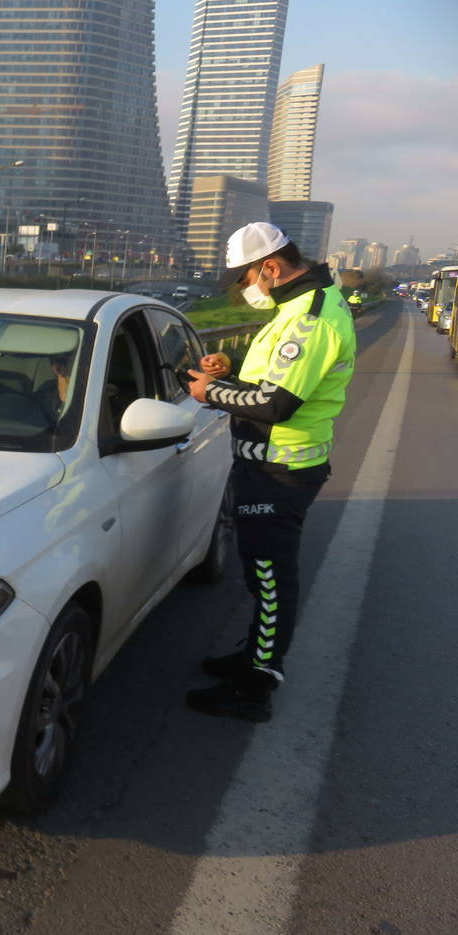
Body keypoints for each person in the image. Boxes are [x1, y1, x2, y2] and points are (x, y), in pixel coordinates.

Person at [184, 222, 357, 721]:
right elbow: (274, 376)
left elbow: (278, 402)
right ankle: (254, 657)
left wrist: (209, 393)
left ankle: (256, 686)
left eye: (245, 280)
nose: (244, 291)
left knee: (270, 576)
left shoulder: (311, 319)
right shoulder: (299, 306)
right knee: (262, 574)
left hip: (282, 469)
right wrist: (231, 365)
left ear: (270, 268)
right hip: (271, 464)